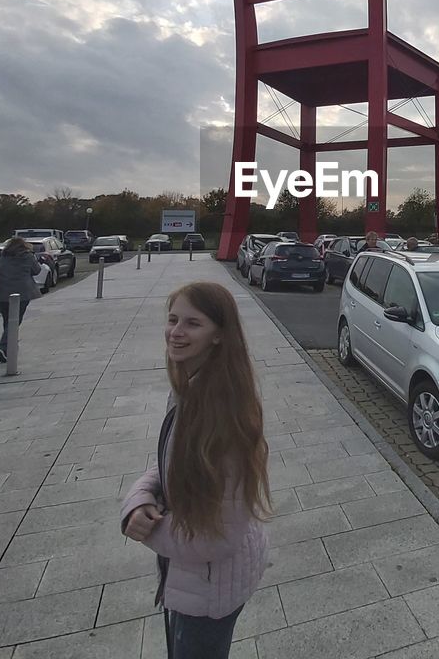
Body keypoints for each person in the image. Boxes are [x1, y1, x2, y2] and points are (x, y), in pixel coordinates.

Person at [121, 282, 270, 659]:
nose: (176, 332)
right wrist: (138, 502)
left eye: (192, 323)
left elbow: (215, 541)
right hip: (198, 577)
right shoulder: (193, 388)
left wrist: (147, 532)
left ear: (220, 335)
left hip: (209, 587)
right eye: (172, 320)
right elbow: (170, 463)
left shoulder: (221, 416)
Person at [0, 237, 41, 363]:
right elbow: (37, 271)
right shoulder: (28, 256)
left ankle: (10, 347)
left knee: (8, 321)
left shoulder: (1, 257)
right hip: (21, 294)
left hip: (1, 294)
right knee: (14, 321)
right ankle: (4, 347)